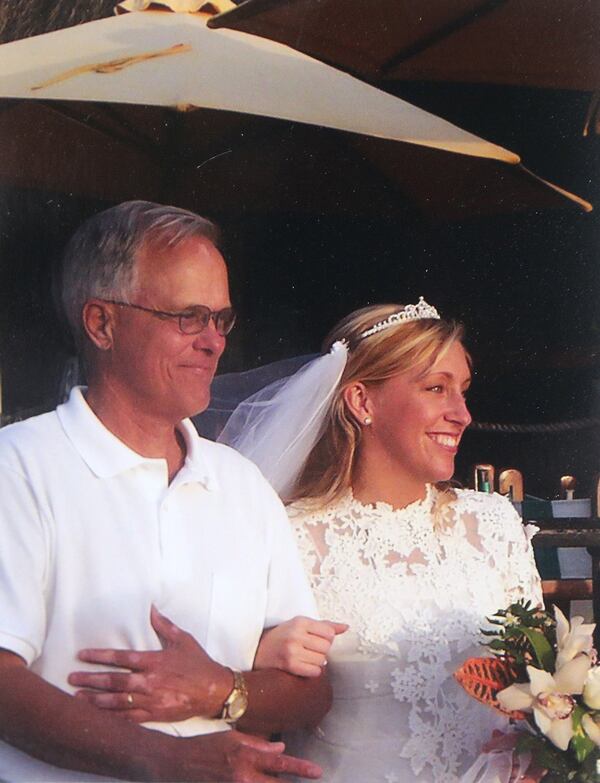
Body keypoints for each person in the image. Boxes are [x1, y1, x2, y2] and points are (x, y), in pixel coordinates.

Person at [0, 200, 333, 783]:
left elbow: (311, 691)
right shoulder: (20, 468)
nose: (214, 342)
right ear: (101, 323)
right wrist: (170, 760)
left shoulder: (241, 484)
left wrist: (223, 691)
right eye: (189, 317)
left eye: (221, 320)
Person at [218, 298, 544, 782]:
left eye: (463, 391)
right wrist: (258, 655)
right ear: (361, 401)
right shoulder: (291, 535)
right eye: (437, 389)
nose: (463, 414)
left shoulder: (493, 524)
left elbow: (540, 684)